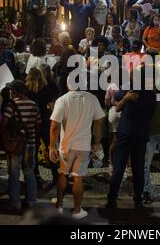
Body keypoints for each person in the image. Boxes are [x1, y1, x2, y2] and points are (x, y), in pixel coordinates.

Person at [49, 77, 105, 220]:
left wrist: (51, 146)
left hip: (66, 145)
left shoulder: (62, 100)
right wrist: (97, 142)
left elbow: (54, 125)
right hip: (83, 145)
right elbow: (99, 122)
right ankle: (77, 210)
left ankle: (59, 206)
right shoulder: (92, 99)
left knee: (63, 174)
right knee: (78, 177)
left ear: (68, 85)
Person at [107, 67, 156, 210]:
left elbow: (116, 99)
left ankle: (112, 199)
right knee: (138, 168)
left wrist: (126, 98)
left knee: (119, 167)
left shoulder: (131, 90)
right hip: (141, 133)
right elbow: (151, 114)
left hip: (125, 132)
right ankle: (138, 199)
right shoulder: (151, 95)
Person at [2, 80, 41, 210]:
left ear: (15, 92)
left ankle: (15, 202)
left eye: (11, 90)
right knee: (29, 173)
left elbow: (4, 123)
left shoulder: (11, 105)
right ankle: (31, 201)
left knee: (14, 173)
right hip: (30, 144)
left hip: (15, 146)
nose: (9, 92)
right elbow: (38, 123)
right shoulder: (34, 104)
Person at [26, 68, 57, 186]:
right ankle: (55, 174)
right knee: (50, 147)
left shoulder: (26, 90)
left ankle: (36, 176)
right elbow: (52, 106)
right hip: (44, 121)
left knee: (32, 149)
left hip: (31, 121)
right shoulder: (45, 89)